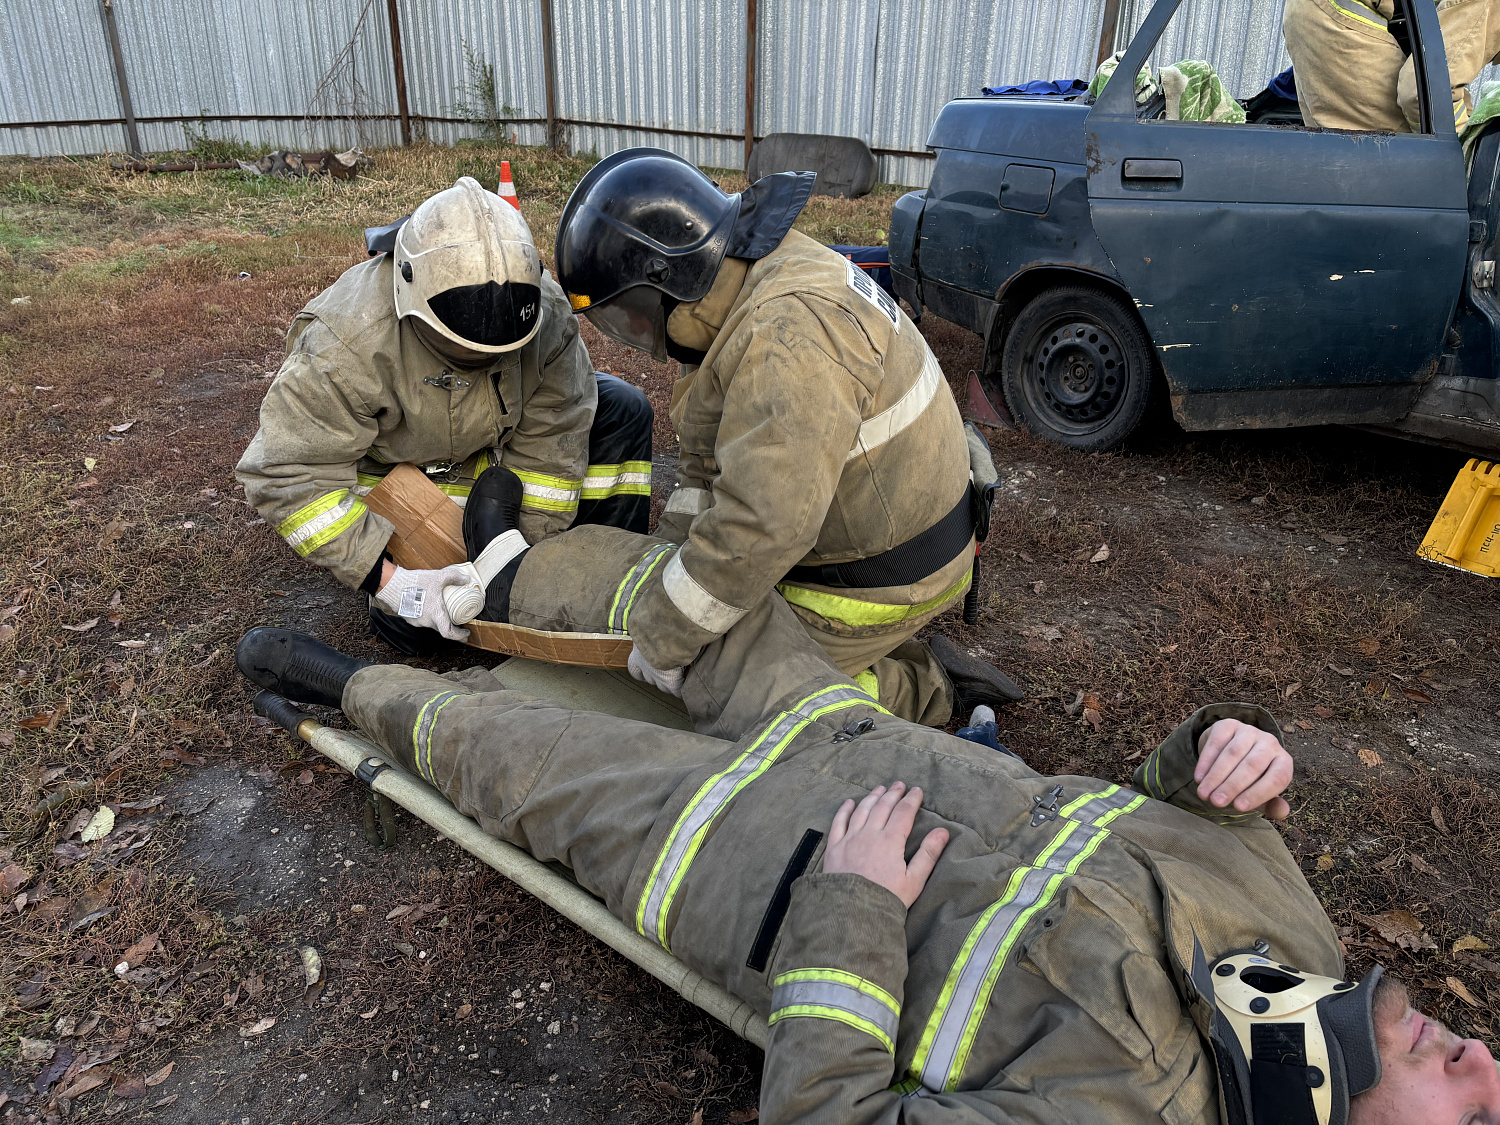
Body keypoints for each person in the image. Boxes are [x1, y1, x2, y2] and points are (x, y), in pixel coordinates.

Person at [236, 510, 1499, 1124]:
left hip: (741, 852)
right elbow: (1179, 807)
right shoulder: (1310, 943)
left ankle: (353, 683)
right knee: (709, 608)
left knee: (518, 754)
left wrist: (851, 911)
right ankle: (500, 569)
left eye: (1481, 1113)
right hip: (856, 736)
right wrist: (1220, 756)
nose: (1482, 1059)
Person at [551, 148, 1023, 728]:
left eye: (633, 315)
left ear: (669, 276)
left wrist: (666, 636)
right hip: (866, 527)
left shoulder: (786, 335)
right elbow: (708, 465)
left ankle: (922, 687)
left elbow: (763, 522)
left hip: (888, 571)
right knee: (714, 629)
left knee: (737, 695)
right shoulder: (739, 289)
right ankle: (865, 656)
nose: (637, 333)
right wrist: (668, 568)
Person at [235, 175, 654, 656]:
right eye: (463, 354)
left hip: (495, 464)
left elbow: (551, 445)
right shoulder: (347, 344)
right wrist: (397, 585)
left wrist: (520, 571)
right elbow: (287, 474)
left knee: (621, 407)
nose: (484, 365)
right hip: (401, 481)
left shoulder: (547, 318)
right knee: (424, 634)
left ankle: (602, 580)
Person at [1283, 0, 1500, 133]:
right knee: (1394, 160)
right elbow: (1422, 91)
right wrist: (1467, 158)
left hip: (1319, 11)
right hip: (1338, 15)